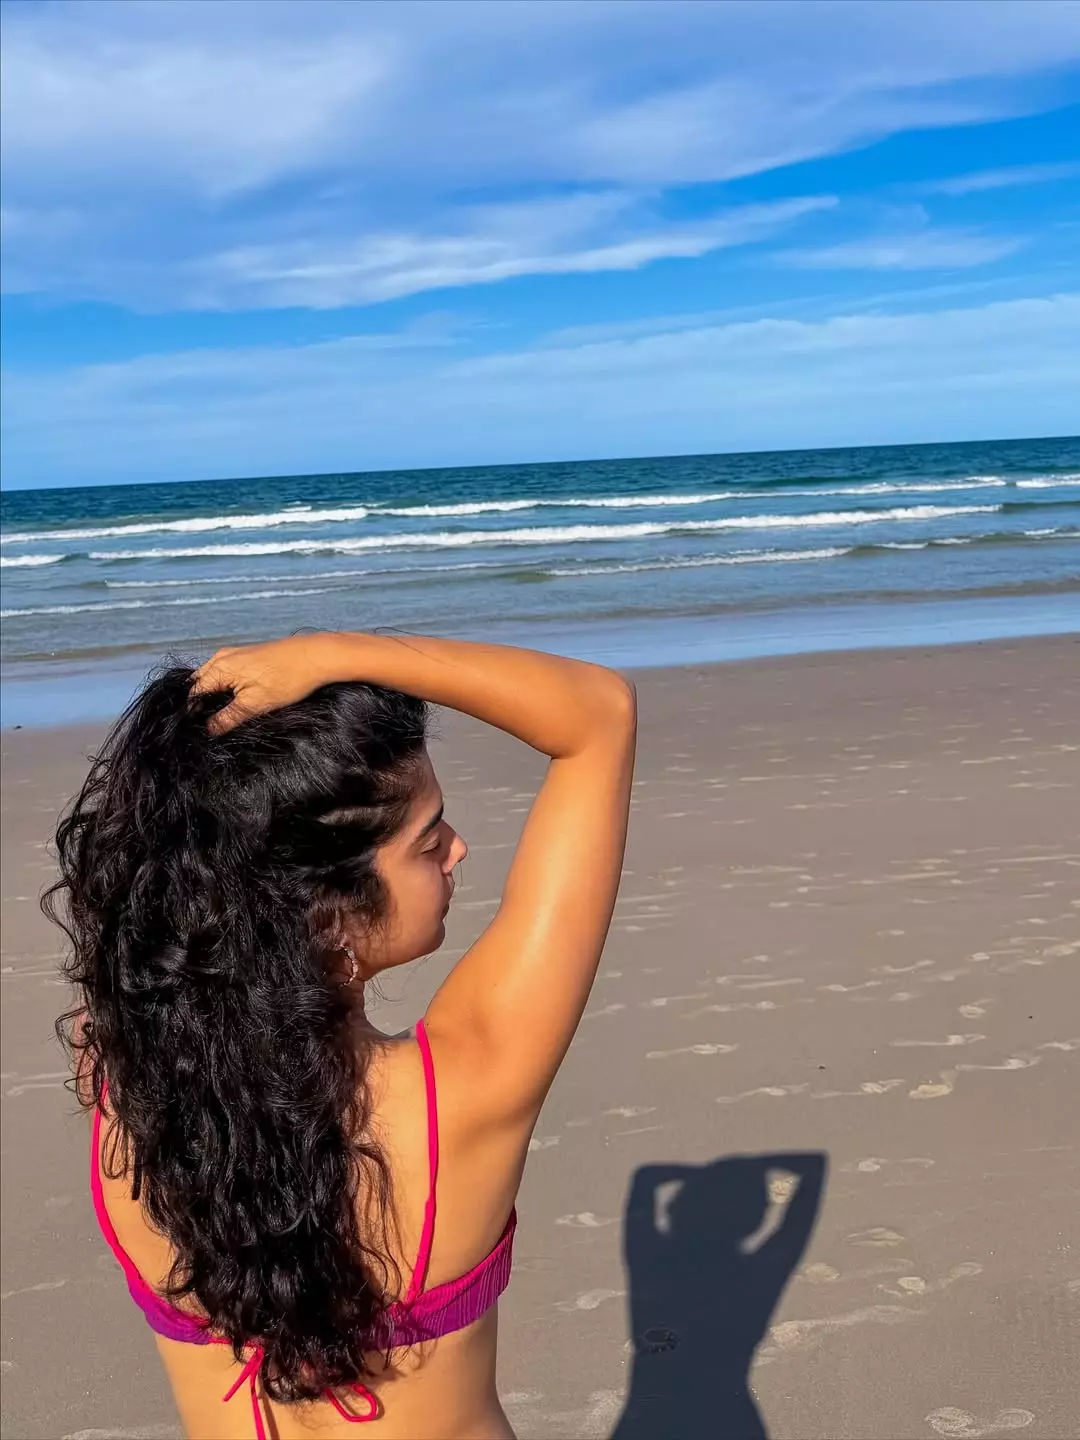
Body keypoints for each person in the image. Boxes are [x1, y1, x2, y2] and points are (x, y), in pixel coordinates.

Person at [48, 631, 637, 1440]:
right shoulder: (466, 1087)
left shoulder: (123, 1081)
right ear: (327, 914)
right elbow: (598, 714)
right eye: (428, 841)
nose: (457, 848)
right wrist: (334, 654)